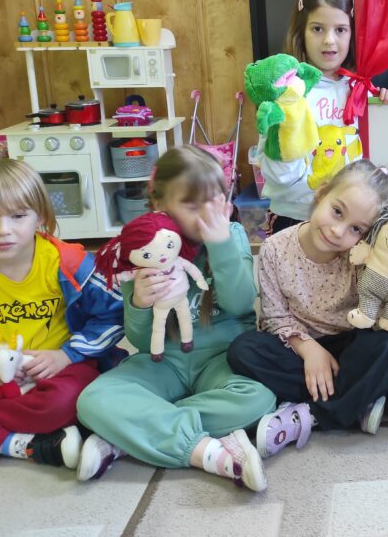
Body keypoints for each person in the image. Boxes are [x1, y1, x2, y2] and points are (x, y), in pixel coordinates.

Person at [76, 147, 277, 492]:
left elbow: (242, 302)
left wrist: (221, 245)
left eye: (214, 201)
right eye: (191, 205)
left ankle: (132, 433)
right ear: (159, 204)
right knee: (93, 399)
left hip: (221, 358)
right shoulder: (140, 248)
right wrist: (140, 302)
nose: (207, 214)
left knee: (259, 397)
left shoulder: (232, 233)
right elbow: (141, 342)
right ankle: (206, 449)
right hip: (163, 360)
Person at [0, 158, 124, 468]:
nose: (2, 230)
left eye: (18, 216)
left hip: (63, 372)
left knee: (66, 402)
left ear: (40, 217)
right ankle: (24, 444)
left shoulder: (71, 264)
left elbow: (114, 316)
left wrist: (66, 355)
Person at [227, 160, 388, 450]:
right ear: (322, 193)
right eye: (337, 211)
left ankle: (315, 412)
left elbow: (380, 313)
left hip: (350, 345)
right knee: (243, 350)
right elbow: (274, 317)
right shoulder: (275, 248)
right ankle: (355, 401)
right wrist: (309, 349)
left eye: (356, 229)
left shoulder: (363, 257)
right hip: (298, 348)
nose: (338, 231)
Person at [258, 0, 388, 234]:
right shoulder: (287, 90)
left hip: (348, 220)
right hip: (295, 217)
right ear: (301, 33)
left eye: (340, 30)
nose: (329, 40)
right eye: (317, 29)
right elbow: (275, 169)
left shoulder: (359, 88)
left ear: (353, 34)